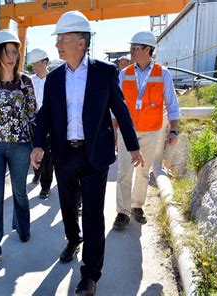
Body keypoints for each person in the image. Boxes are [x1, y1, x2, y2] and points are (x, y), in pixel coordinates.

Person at [30, 11, 144, 295]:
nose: (57, 44)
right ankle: (72, 239)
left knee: (93, 214)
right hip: (65, 154)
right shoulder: (55, 78)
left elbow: (121, 110)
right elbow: (45, 114)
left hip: (95, 155)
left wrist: (133, 146)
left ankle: (90, 275)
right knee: (68, 206)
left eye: (62, 39)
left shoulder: (105, 72)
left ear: (81, 42)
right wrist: (38, 143)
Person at [0, 29, 37, 271]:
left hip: (21, 145)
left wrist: (37, 148)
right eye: (7, 52)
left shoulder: (26, 82)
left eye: (15, 52)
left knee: (20, 192)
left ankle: (22, 228)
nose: (11, 57)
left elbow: (33, 116)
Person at [113, 31, 180, 230]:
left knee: (143, 172)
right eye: (131, 47)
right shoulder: (124, 74)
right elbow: (116, 107)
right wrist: (114, 132)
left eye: (135, 47)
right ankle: (122, 212)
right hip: (127, 132)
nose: (131, 51)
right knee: (124, 171)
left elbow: (172, 104)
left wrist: (174, 131)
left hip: (151, 131)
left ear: (148, 49)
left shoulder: (163, 74)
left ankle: (137, 206)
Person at [27, 48, 53, 199]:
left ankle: (46, 186)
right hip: (33, 121)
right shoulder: (29, 81)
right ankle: (37, 172)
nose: (34, 67)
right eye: (33, 64)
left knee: (48, 155)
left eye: (36, 63)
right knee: (34, 150)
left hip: (50, 122)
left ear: (45, 62)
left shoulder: (54, 79)